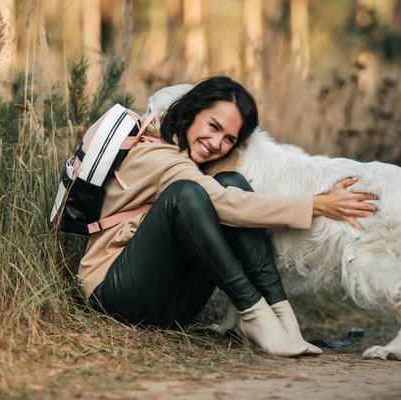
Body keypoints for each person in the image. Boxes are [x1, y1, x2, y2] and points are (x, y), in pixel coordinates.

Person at [77, 76, 377, 356]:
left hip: (171, 307)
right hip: (114, 294)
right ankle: (254, 313)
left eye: (229, 139)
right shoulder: (157, 155)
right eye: (213, 126)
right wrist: (317, 204)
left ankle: (281, 314)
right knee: (189, 195)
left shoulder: (179, 153)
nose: (217, 143)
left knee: (231, 182)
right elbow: (227, 205)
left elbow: (231, 198)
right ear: (192, 111)